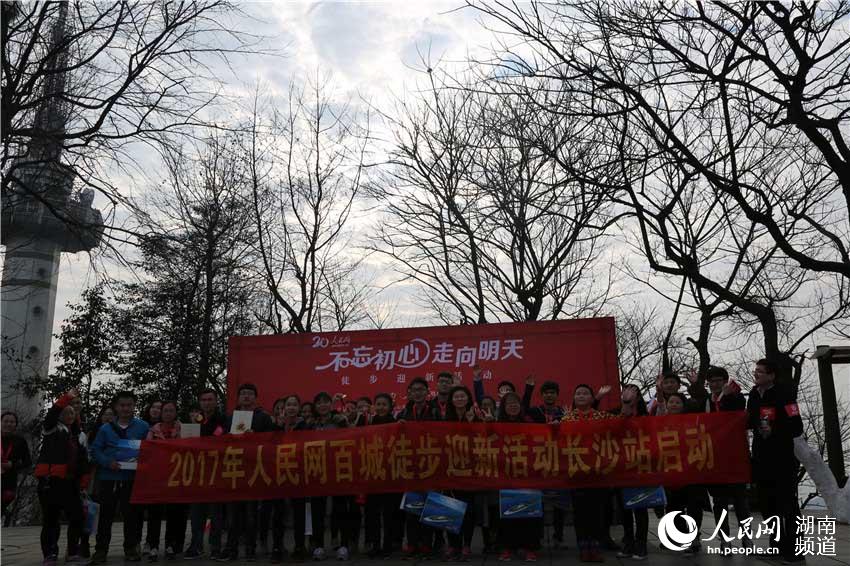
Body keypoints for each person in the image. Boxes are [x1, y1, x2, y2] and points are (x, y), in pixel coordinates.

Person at [747, 359, 804, 563]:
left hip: (782, 458)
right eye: (756, 371)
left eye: (761, 371)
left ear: (772, 375)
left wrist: (775, 429)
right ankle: (776, 547)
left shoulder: (785, 395)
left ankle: (795, 550)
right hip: (762, 458)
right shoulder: (754, 395)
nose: (757, 374)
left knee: (787, 505)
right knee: (767, 504)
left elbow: (797, 426)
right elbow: (750, 420)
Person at [691, 366, 753, 551]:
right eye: (711, 381)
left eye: (718, 380)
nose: (715, 384)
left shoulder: (736, 396)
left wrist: (725, 397)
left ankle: (746, 537)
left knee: (740, 501)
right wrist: (695, 386)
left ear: (725, 381)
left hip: (734, 457)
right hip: (713, 457)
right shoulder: (705, 401)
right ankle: (724, 538)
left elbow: (736, 413)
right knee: (719, 502)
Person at [90, 391, 150, 564]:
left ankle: (131, 549)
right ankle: (101, 551)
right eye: (122, 405)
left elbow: (151, 449)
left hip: (132, 479)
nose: (126, 408)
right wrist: (108, 462)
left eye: (129, 405)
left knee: (131, 516)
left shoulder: (143, 427)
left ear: (134, 406)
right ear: (116, 407)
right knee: (106, 516)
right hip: (109, 478)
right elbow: (95, 450)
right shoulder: (105, 428)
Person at [219, 383, 273, 562]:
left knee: (251, 514)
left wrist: (255, 437)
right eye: (243, 394)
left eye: (250, 394)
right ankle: (231, 548)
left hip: (254, 470)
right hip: (234, 469)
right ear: (238, 397)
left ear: (255, 398)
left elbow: (271, 441)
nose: (247, 397)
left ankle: (250, 548)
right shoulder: (229, 417)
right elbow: (219, 439)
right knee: (233, 515)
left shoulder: (264, 418)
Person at [36, 390, 88, 566]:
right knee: (51, 520)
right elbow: (52, 413)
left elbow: (83, 461)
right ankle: (50, 554)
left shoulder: (77, 435)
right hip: (51, 482)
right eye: (66, 412)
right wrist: (67, 397)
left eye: (73, 412)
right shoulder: (51, 429)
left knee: (78, 517)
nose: (70, 415)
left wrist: (83, 480)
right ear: (59, 415)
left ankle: (72, 552)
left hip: (70, 483)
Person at [562, 384, 613, 563]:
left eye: (585, 393)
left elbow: (621, 423)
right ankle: (583, 547)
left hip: (598, 471)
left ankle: (595, 547)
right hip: (576, 472)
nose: (581, 396)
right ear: (574, 398)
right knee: (580, 513)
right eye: (578, 393)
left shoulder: (602, 416)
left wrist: (627, 403)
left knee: (597, 512)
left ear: (592, 398)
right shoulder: (567, 418)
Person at [304, 391, 352, 561]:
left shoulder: (341, 421)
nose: (322, 405)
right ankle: (318, 546)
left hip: (338, 469)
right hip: (317, 470)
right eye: (319, 402)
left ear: (331, 405)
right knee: (318, 510)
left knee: (341, 509)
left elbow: (352, 439)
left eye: (326, 402)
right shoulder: (309, 425)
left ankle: (343, 545)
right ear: (315, 406)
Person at [497, 392, 543, 562]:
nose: (513, 405)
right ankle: (508, 547)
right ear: (503, 407)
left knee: (529, 512)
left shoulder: (529, 421)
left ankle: (530, 547)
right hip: (507, 474)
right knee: (508, 513)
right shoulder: (497, 424)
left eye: (515, 402)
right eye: (509, 403)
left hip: (528, 473)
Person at [397, 378, 439, 560]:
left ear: (427, 392)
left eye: (421, 389)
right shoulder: (404, 413)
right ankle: (412, 543)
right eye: (414, 390)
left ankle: (427, 544)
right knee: (412, 509)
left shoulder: (435, 412)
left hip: (431, 465)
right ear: (409, 393)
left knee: (429, 507)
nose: (418, 393)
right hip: (411, 467)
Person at [184, 389, 226, 560]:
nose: (207, 402)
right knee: (196, 513)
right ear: (199, 402)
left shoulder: (223, 419)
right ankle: (196, 545)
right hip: (197, 472)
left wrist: (200, 426)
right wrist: (193, 425)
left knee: (216, 513)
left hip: (217, 471)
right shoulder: (195, 420)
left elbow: (218, 436)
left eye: (210, 399)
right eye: (203, 399)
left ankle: (215, 547)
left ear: (216, 401)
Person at [145, 401, 185, 561]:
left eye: (171, 410)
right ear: (160, 413)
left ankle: (170, 545)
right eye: (165, 410)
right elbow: (147, 450)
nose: (168, 413)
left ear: (176, 412)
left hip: (175, 476)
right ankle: (153, 546)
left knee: (173, 513)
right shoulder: (152, 431)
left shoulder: (182, 429)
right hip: (157, 477)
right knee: (155, 513)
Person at [443, 386, 480, 561]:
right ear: (451, 400)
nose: (459, 399)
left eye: (462, 396)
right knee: (451, 507)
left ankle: (466, 544)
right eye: (456, 396)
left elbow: (481, 440)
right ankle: (453, 545)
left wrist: (472, 423)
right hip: (451, 470)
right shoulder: (445, 419)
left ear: (468, 398)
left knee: (468, 509)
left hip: (470, 470)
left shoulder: (475, 416)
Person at [614, 385, 650, 561]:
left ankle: (641, 544)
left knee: (640, 508)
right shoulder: (618, 413)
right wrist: (625, 404)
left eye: (633, 392)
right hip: (621, 467)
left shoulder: (645, 415)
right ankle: (628, 542)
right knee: (625, 509)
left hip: (640, 467)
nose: (629, 394)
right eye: (626, 391)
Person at [269, 395, 303, 563]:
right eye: (288, 405)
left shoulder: (305, 425)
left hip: (299, 475)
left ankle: (299, 547)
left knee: (299, 513)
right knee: (278, 514)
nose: (291, 407)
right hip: (279, 475)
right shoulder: (275, 426)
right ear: (283, 408)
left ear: (299, 408)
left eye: (294, 405)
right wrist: (278, 428)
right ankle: (277, 547)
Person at [1, 410, 31, 525]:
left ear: (16, 424)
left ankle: (5, 514)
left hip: (9, 479)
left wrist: (12, 465)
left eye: (12, 422)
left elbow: (27, 462)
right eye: (6, 421)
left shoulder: (20, 441)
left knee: (6, 499)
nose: (8, 424)